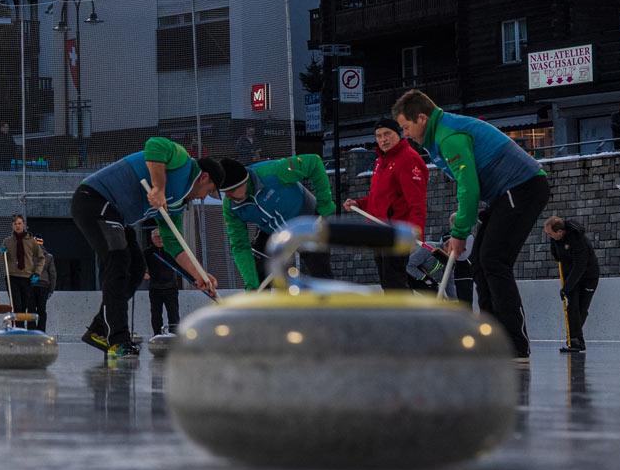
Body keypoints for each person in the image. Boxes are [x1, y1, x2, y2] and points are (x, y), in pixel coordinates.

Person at [394, 89, 549, 359]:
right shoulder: (439, 135)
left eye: (405, 127)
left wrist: (459, 232)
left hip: (523, 186)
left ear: (421, 118)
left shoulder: (449, 136)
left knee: (494, 260)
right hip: (504, 194)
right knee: (480, 262)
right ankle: (490, 336)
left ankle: (514, 343)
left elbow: (468, 187)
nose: (405, 134)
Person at [69, 137, 227, 357]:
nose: (203, 197)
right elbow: (155, 145)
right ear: (204, 177)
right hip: (95, 199)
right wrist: (159, 188)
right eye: (208, 191)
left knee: (135, 268)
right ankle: (117, 340)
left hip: (117, 215)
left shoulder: (177, 204)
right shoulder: (182, 161)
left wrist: (198, 274)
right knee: (118, 259)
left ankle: (99, 329)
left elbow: (174, 244)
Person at [220, 153, 336, 291]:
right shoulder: (231, 207)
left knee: (320, 272)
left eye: (231, 190)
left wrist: (324, 206)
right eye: (225, 192)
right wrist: (251, 283)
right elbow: (240, 246)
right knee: (259, 272)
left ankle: (329, 306)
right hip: (272, 230)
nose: (228, 196)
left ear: (244, 181)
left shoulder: (275, 171)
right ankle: (263, 307)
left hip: (306, 220)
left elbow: (314, 162)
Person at [345, 119, 429, 291]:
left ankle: (408, 318)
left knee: (394, 282)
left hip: (397, 231)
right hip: (380, 230)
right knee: (388, 282)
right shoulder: (381, 161)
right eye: (378, 136)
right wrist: (359, 203)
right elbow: (380, 198)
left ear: (398, 134)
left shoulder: (408, 159)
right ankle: (405, 316)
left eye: (387, 134)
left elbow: (417, 201)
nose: (383, 139)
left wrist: (416, 232)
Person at [544, 216, 600, 353]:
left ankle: (575, 338)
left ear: (560, 231)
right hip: (571, 276)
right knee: (572, 307)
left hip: (588, 277)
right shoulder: (555, 239)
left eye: (550, 234)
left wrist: (567, 287)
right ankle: (575, 342)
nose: (549, 237)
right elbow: (557, 256)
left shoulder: (577, 240)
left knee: (581, 309)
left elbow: (580, 266)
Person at [3, 215, 49, 331]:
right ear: (12, 226)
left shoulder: (31, 241)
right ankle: (18, 329)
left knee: (24, 306)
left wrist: (37, 273)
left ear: (23, 224)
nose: (17, 226)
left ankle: (22, 329)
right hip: (12, 277)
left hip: (27, 277)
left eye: (19, 223)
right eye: (15, 224)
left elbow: (41, 258)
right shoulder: (7, 241)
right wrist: (2, 254)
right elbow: (3, 260)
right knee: (16, 305)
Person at [143, 228, 181, 335]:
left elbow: (181, 265)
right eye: (156, 237)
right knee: (156, 314)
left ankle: (174, 335)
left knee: (173, 314)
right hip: (155, 289)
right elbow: (141, 266)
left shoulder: (170, 250)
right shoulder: (147, 252)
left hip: (171, 288)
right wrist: (144, 273)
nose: (159, 239)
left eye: (161, 236)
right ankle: (157, 335)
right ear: (152, 238)